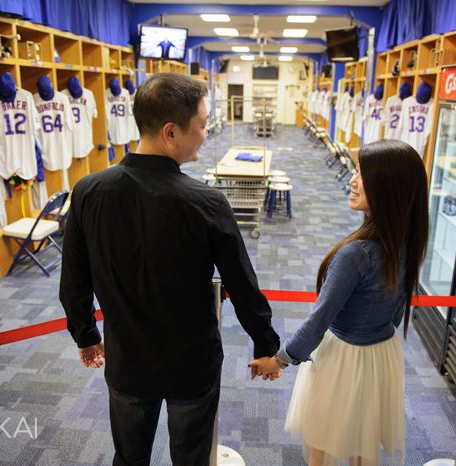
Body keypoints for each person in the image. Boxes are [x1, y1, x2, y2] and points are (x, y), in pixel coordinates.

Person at [60, 72, 280, 466]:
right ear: (170, 132)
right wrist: (265, 343)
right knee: (191, 460)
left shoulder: (88, 191)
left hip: (128, 361)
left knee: (129, 459)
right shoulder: (206, 202)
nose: (205, 132)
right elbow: (243, 286)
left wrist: (85, 334)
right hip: (190, 364)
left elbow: (74, 277)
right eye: (200, 124)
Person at [250, 140, 429, 466]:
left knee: (323, 442)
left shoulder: (356, 254)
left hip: (344, 357)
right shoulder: (408, 239)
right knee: (363, 439)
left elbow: (319, 320)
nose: (352, 179)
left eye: (362, 173)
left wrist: (279, 360)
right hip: (382, 352)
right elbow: (397, 308)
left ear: (387, 188)